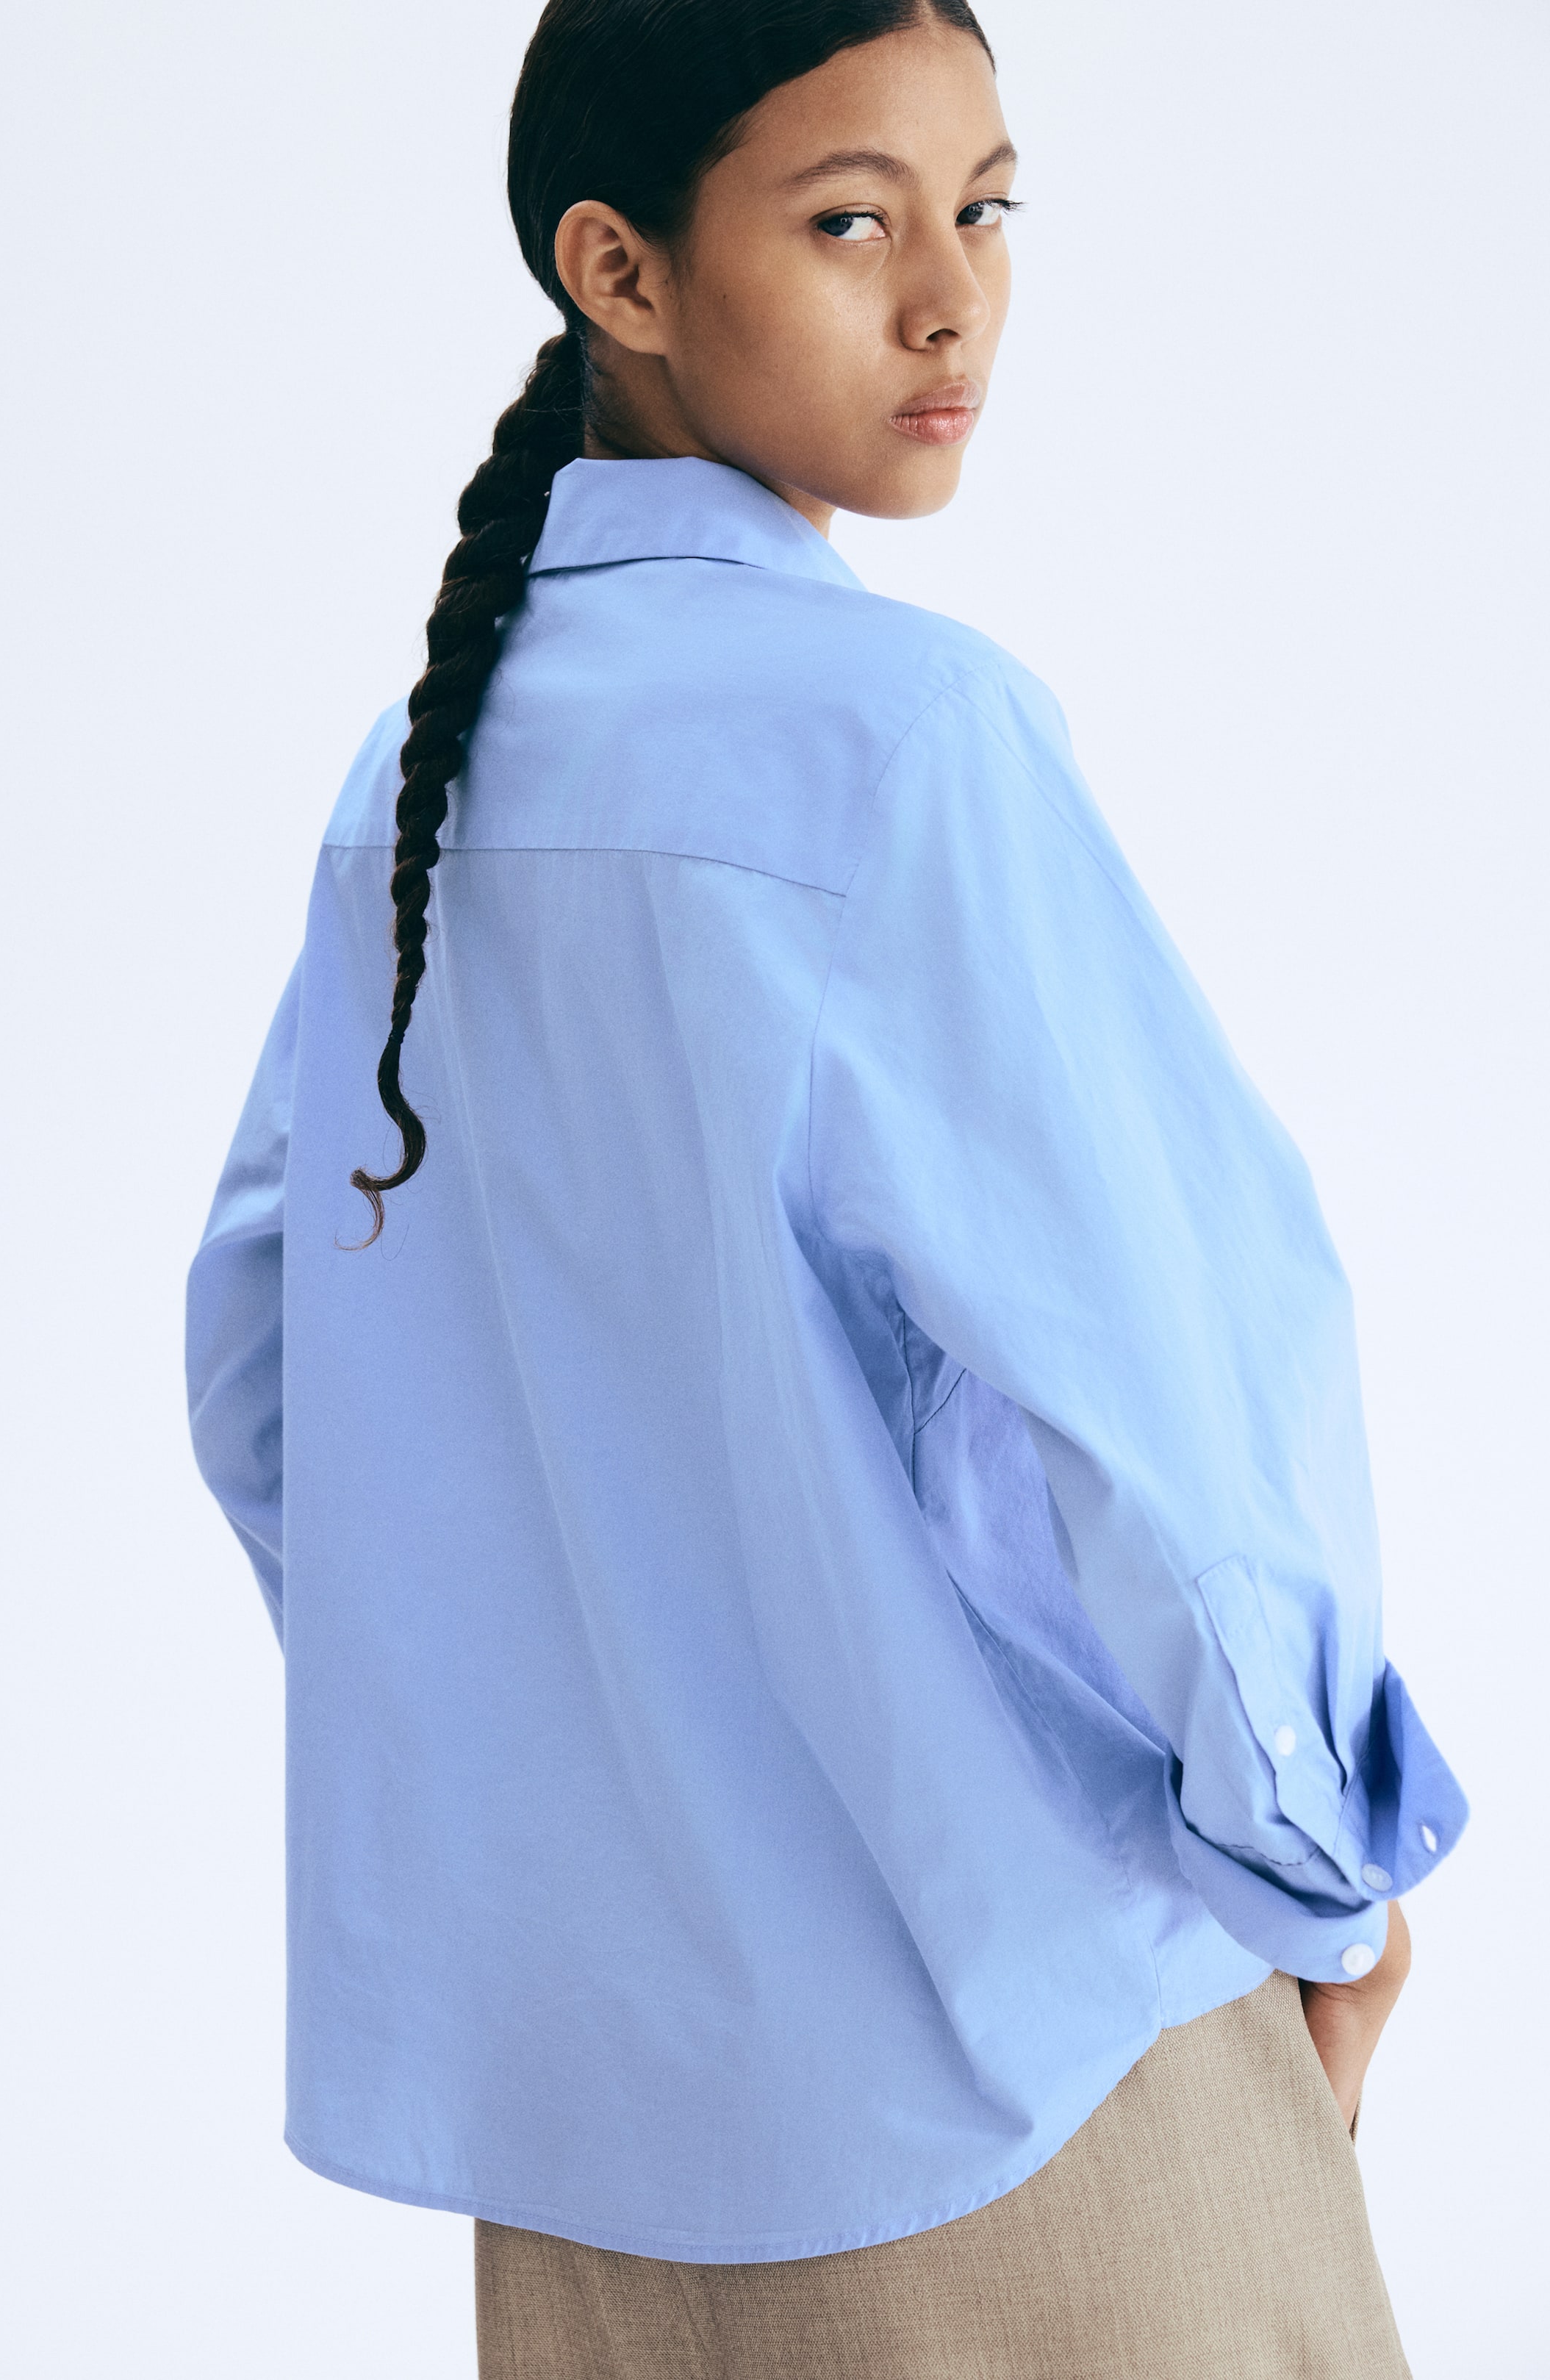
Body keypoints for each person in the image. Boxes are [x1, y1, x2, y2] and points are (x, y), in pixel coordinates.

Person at [184, 2, 1468, 2372]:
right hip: (1029, 2081)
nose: (953, 299)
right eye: (855, 221)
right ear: (622, 269)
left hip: (593, 2142)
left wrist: (598, 1763)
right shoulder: (907, 741)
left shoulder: (415, 783)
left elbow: (269, 1378)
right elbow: (1159, 1407)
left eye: (987, 208)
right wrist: (1326, 1876)